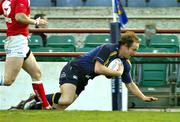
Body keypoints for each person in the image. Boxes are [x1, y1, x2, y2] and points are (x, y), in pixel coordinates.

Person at [10, 31, 158, 110]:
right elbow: (98, 68)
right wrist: (117, 73)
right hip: (74, 69)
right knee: (66, 99)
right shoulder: (109, 48)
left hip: (84, 78)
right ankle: (35, 97)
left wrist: (143, 97)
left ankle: (34, 108)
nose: (135, 53)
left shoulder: (126, 64)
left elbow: (130, 84)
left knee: (62, 106)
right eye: (134, 49)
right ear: (125, 45)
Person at [0, 0, 51, 109]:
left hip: (19, 41)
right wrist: (36, 22)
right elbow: (20, 17)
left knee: (36, 74)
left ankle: (45, 106)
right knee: (8, 80)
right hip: (17, 41)